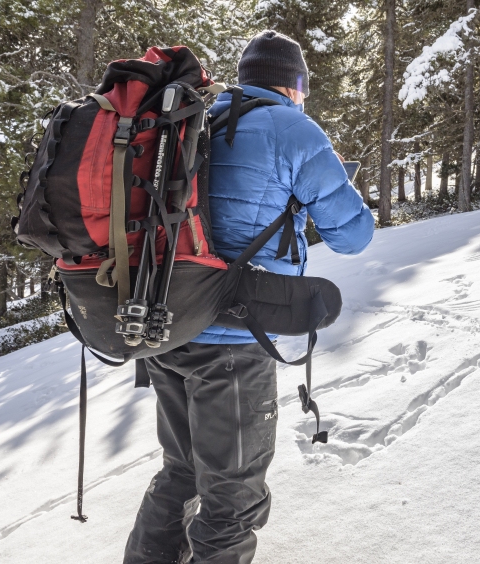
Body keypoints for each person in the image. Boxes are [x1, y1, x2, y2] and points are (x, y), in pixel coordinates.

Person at [123, 30, 375, 564]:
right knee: (232, 495)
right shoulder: (294, 128)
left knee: (182, 471)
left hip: (168, 328)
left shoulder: (196, 119)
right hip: (233, 341)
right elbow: (353, 236)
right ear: (295, 85)